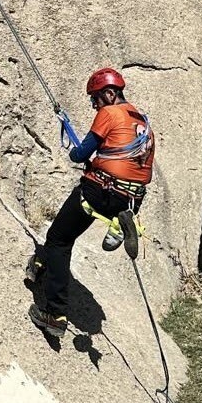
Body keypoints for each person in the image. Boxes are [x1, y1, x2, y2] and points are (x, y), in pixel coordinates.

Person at [28, 68, 156, 337]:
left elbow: (80, 154)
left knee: (59, 239)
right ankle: (46, 260)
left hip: (102, 190)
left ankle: (54, 314)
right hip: (131, 198)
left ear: (109, 94)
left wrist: (75, 147)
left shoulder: (109, 114)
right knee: (65, 234)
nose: (94, 105)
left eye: (95, 99)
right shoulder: (142, 121)